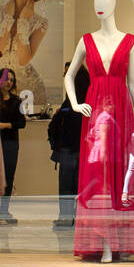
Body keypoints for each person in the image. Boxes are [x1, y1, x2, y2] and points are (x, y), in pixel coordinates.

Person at [48, 62, 90, 228]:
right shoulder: (85, 99)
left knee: (67, 186)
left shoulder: (70, 103)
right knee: (80, 186)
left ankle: (66, 217)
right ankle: (77, 218)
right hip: (80, 148)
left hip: (70, 148)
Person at [0, 73, 25, 224]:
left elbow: (21, 123)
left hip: (11, 143)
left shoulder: (16, 101)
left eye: (12, 80)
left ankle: (4, 211)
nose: (9, 82)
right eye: (7, 79)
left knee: (9, 177)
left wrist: (4, 126)